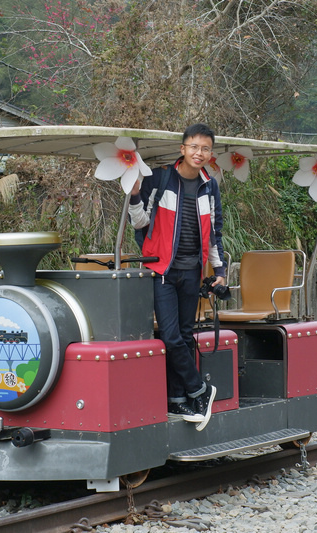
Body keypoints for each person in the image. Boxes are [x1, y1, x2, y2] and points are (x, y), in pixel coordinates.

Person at [128, 123, 226, 431]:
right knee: (169, 337)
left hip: (192, 271)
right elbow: (140, 222)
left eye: (206, 149)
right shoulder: (160, 178)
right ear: (182, 149)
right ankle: (200, 390)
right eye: (194, 147)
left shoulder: (210, 186)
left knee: (184, 336)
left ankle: (177, 398)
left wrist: (220, 272)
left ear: (211, 154)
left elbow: (214, 235)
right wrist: (133, 196)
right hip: (161, 271)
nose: (199, 153)